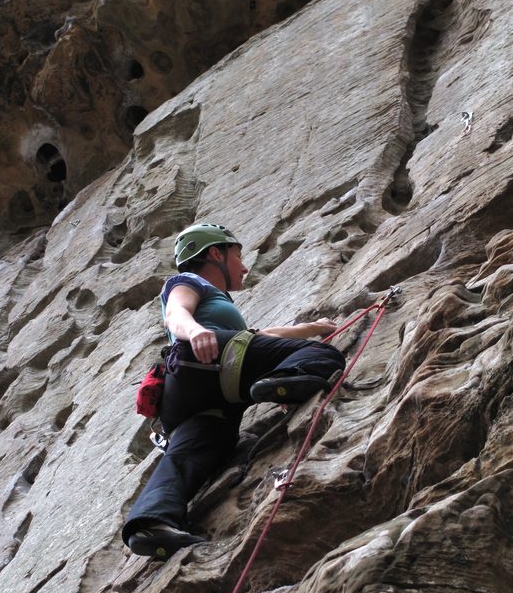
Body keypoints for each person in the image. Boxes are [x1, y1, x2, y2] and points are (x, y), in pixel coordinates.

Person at [122, 223, 346, 559]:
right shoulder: (188, 282)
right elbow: (175, 314)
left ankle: (151, 524)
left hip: (196, 398)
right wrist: (195, 331)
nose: (244, 266)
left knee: (190, 457)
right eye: (238, 256)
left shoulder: (220, 307)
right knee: (324, 356)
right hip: (207, 361)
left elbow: (261, 337)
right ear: (215, 253)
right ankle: (284, 382)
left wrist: (313, 327)